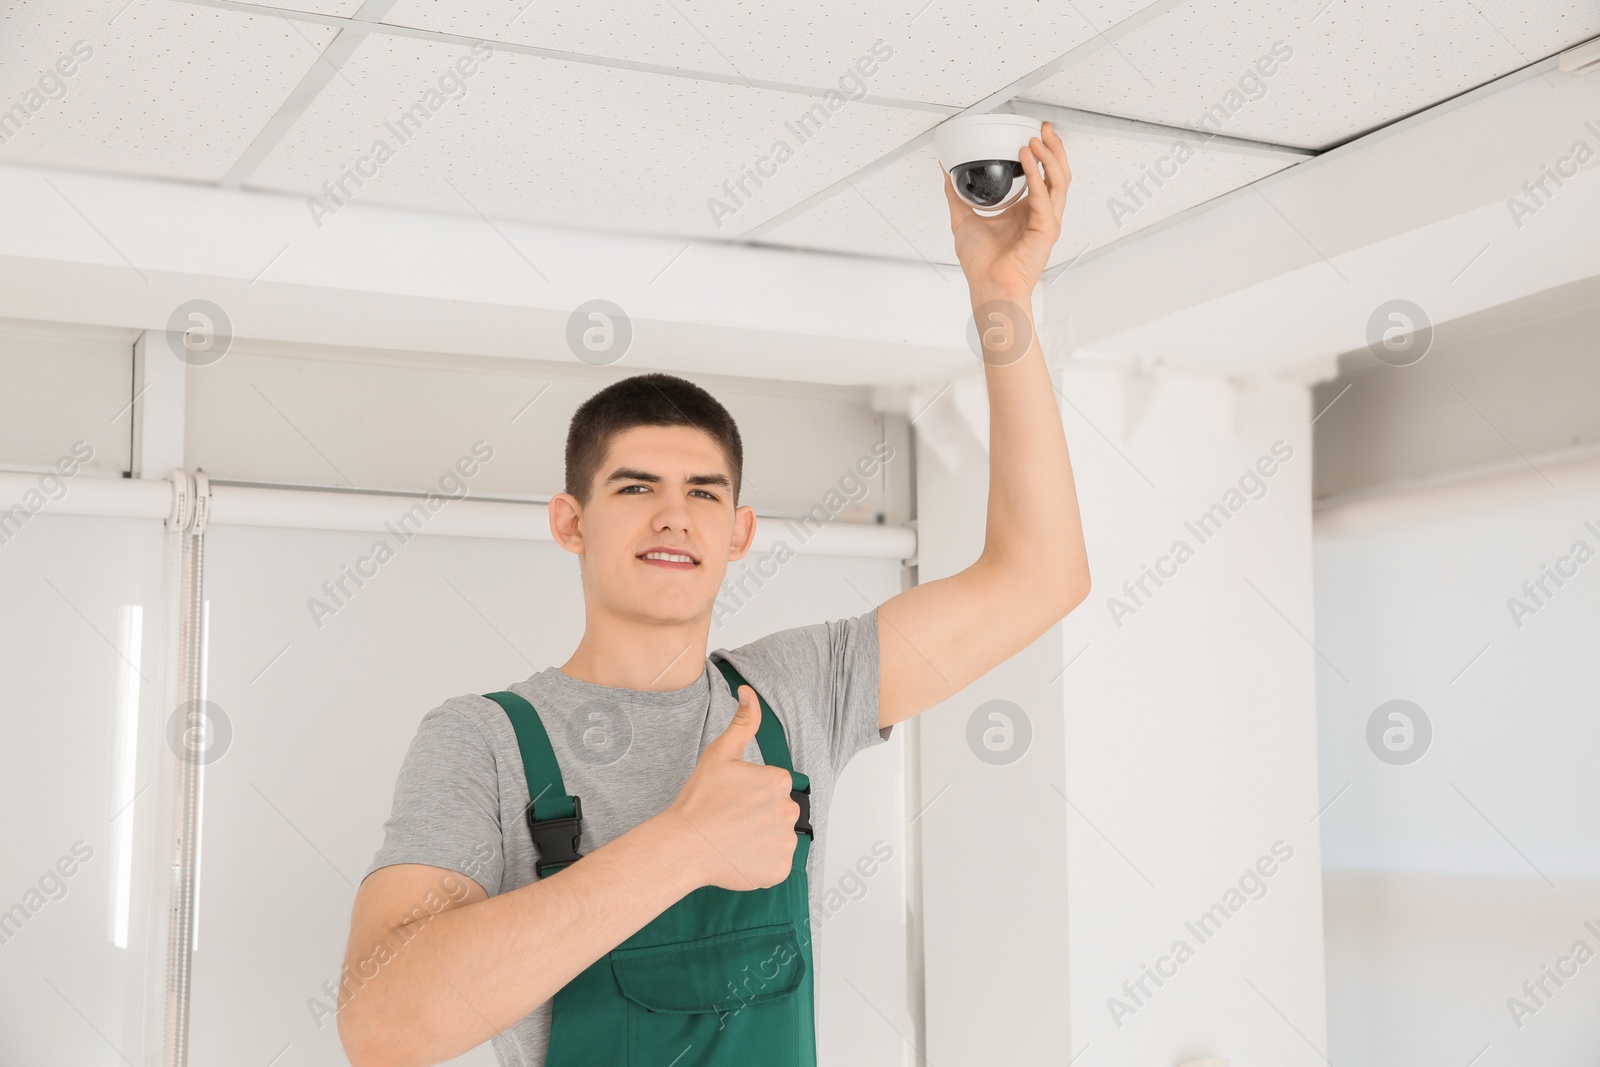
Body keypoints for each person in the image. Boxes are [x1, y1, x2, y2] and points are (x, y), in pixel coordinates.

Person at [337, 121, 1088, 1067]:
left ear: (739, 532)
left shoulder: (798, 692)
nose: (673, 517)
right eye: (635, 487)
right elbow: (381, 1026)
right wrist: (680, 847)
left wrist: (1003, 296)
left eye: (703, 493)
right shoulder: (482, 742)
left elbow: (1041, 575)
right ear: (572, 522)